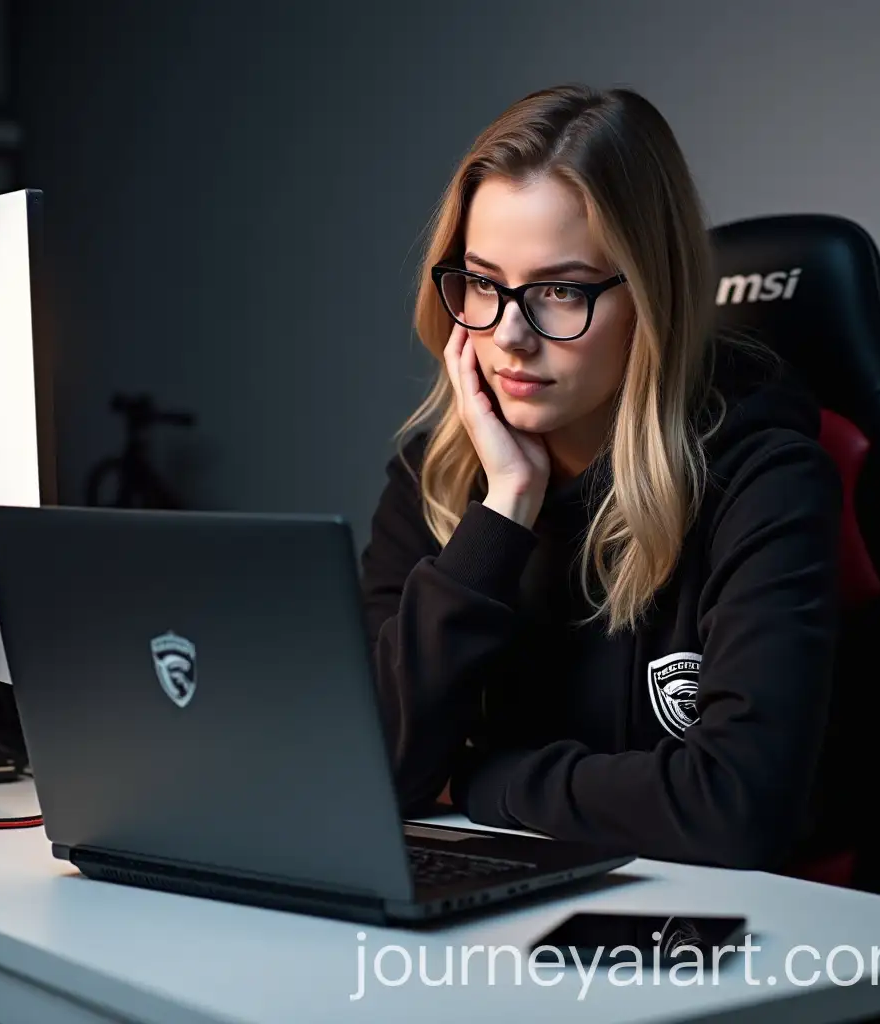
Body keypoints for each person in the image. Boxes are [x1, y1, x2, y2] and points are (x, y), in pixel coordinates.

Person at [359, 83, 845, 873]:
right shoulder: (436, 479)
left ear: (650, 296)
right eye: (484, 283)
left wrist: (485, 777)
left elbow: (737, 808)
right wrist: (503, 513)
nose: (510, 336)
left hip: (710, 947)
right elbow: (366, 775)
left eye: (559, 290)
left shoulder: (763, 478)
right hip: (496, 935)